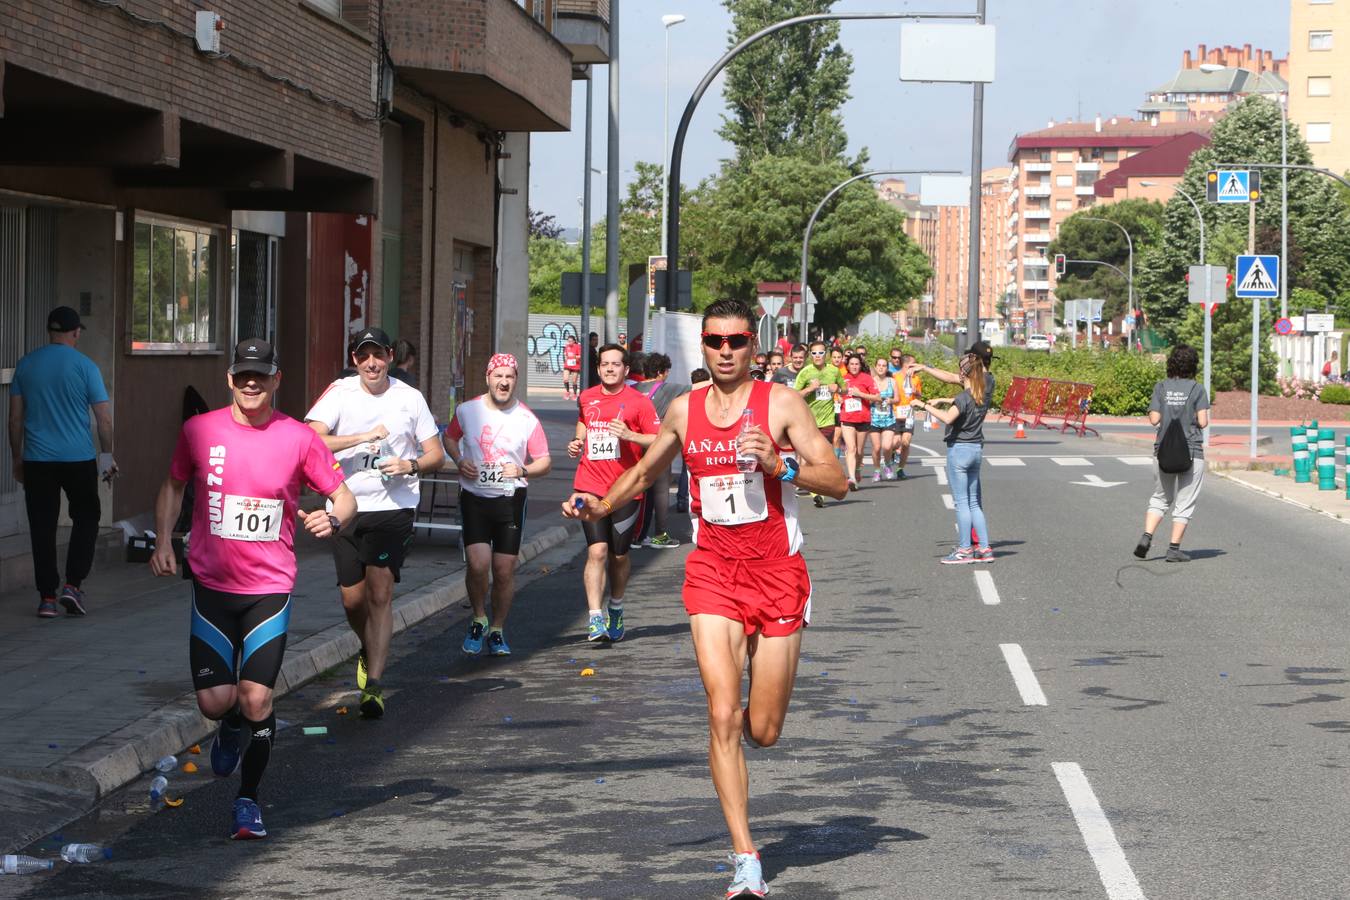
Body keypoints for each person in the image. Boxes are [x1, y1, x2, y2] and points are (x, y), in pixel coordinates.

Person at [563, 299, 846, 899]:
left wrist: (783, 465)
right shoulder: (684, 410)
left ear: (753, 345)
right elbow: (643, 473)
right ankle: (746, 856)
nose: (724, 351)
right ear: (706, 345)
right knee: (722, 712)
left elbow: (838, 480)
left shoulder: (782, 404)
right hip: (714, 570)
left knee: (762, 730)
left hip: (776, 573)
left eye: (736, 342)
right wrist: (600, 505)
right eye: (714, 341)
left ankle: (740, 750)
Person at [149, 339, 357, 840]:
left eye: (260, 376)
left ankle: (248, 800)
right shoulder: (199, 430)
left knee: (257, 698)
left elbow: (344, 497)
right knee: (215, 702)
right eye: (243, 374)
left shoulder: (298, 438)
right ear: (230, 379)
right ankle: (229, 725)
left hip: (269, 589)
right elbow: (175, 484)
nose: (250, 383)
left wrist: (333, 519)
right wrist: (162, 540)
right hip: (213, 586)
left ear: (275, 380)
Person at [304, 327, 444, 718]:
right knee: (353, 598)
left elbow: (437, 454)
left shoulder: (409, 398)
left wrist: (410, 464)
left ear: (389, 357)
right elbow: (309, 440)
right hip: (345, 504)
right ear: (354, 360)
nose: (372, 363)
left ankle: (374, 685)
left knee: (380, 592)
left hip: (393, 506)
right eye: (364, 356)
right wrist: (359, 438)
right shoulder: (340, 393)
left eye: (378, 355)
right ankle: (369, 646)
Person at [8, 306, 117, 618]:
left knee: (41, 526)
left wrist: (18, 458)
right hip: (78, 459)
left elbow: (14, 420)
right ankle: (72, 585)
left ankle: (46, 598)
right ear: (76, 332)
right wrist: (106, 457)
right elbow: (104, 420)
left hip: (37, 460)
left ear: (49, 331)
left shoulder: (26, 365)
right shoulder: (86, 366)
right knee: (87, 515)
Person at [444, 353, 552, 655]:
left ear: (515, 380)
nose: (503, 382)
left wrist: (523, 470)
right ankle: (478, 618)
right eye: (498, 376)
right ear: (488, 377)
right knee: (478, 564)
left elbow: (544, 461)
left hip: (510, 499)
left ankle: (497, 629)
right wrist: (459, 459)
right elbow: (450, 438)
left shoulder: (527, 418)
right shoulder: (467, 411)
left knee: (503, 570)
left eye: (510, 377)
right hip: (475, 497)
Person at [566, 343, 661, 642]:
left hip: (624, 489)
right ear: (597, 368)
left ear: (625, 368)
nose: (609, 369)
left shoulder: (639, 402)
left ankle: (616, 606)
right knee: (597, 550)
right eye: (604, 364)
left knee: (619, 556)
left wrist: (630, 435)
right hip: (589, 484)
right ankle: (595, 618)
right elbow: (583, 420)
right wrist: (578, 441)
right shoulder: (587, 396)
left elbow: (659, 441)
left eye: (615, 364)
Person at [912, 350, 994, 564]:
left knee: (962, 503)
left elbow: (949, 418)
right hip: (976, 448)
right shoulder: (980, 395)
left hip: (959, 450)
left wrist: (924, 405)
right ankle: (984, 548)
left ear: (963, 373)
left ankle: (965, 549)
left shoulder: (963, 397)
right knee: (974, 502)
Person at [1135, 345, 1209, 563]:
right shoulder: (1197, 389)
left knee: (1160, 497)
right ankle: (1173, 549)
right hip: (1191, 451)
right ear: (1193, 365)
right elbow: (1203, 421)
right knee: (1184, 501)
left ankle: (1146, 536)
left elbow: (1154, 419)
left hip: (1163, 451)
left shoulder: (1161, 387)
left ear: (1171, 364)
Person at [634, 353, 687, 549]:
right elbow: (698, 387)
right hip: (658, 445)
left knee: (635, 488)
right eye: (666, 372)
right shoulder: (668, 388)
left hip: (634, 446)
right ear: (660, 372)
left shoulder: (632, 389)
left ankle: (633, 534)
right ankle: (660, 534)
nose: (667, 375)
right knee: (660, 492)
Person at [792, 341, 845, 508]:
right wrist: (809, 389)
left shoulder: (834, 371)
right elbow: (794, 395)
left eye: (820, 353)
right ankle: (817, 492)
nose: (817, 356)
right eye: (814, 353)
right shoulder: (805, 373)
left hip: (828, 420)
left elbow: (845, 389)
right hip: (809, 420)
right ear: (810, 355)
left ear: (826, 354)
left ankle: (820, 489)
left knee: (821, 456)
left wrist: (837, 388)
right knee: (811, 457)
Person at [839, 354, 879, 490]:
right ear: (848, 366)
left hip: (863, 418)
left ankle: (857, 470)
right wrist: (838, 398)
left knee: (859, 451)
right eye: (852, 364)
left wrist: (860, 394)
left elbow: (877, 398)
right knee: (851, 448)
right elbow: (837, 394)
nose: (854, 366)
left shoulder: (867, 378)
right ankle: (851, 478)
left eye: (857, 364)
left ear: (860, 365)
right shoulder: (843, 378)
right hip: (847, 418)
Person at [677, 367, 712, 513]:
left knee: (687, 471)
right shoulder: (712, 396)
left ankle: (682, 500)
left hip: (689, 438)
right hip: (707, 439)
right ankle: (706, 500)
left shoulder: (685, 398)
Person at [867, 356, 899, 482]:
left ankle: (887, 464)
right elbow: (866, 398)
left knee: (887, 446)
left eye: (884, 365)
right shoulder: (870, 381)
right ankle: (876, 470)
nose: (881, 367)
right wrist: (874, 399)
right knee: (876, 448)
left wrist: (890, 400)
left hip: (888, 419)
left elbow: (898, 399)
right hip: (874, 419)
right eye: (879, 365)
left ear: (887, 368)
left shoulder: (892, 381)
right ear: (875, 367)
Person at [892, 354, 923, 478]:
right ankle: (893, 452)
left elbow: (920, 395)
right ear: (906, 365)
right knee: (896, 442)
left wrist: (916, 392)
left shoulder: (916, 379)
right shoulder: (895, 377)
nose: (915, 367)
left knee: (906, 442)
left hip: (909, 414)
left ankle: (900, 469)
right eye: (913, 365)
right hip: (895, 413)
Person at [562, 334, 582, 400]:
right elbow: (565, 354)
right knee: (565, 379)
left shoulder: (577, 346)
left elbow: (580, 356)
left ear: (574, 341)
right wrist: (566, 356)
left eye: (571, 341)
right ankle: (567, 392)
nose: (569, 342)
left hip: (575, 365)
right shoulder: (567, 346)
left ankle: (575, 394)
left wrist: (574, 357)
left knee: (574, 381)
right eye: (568, 341)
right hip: (567, 365)